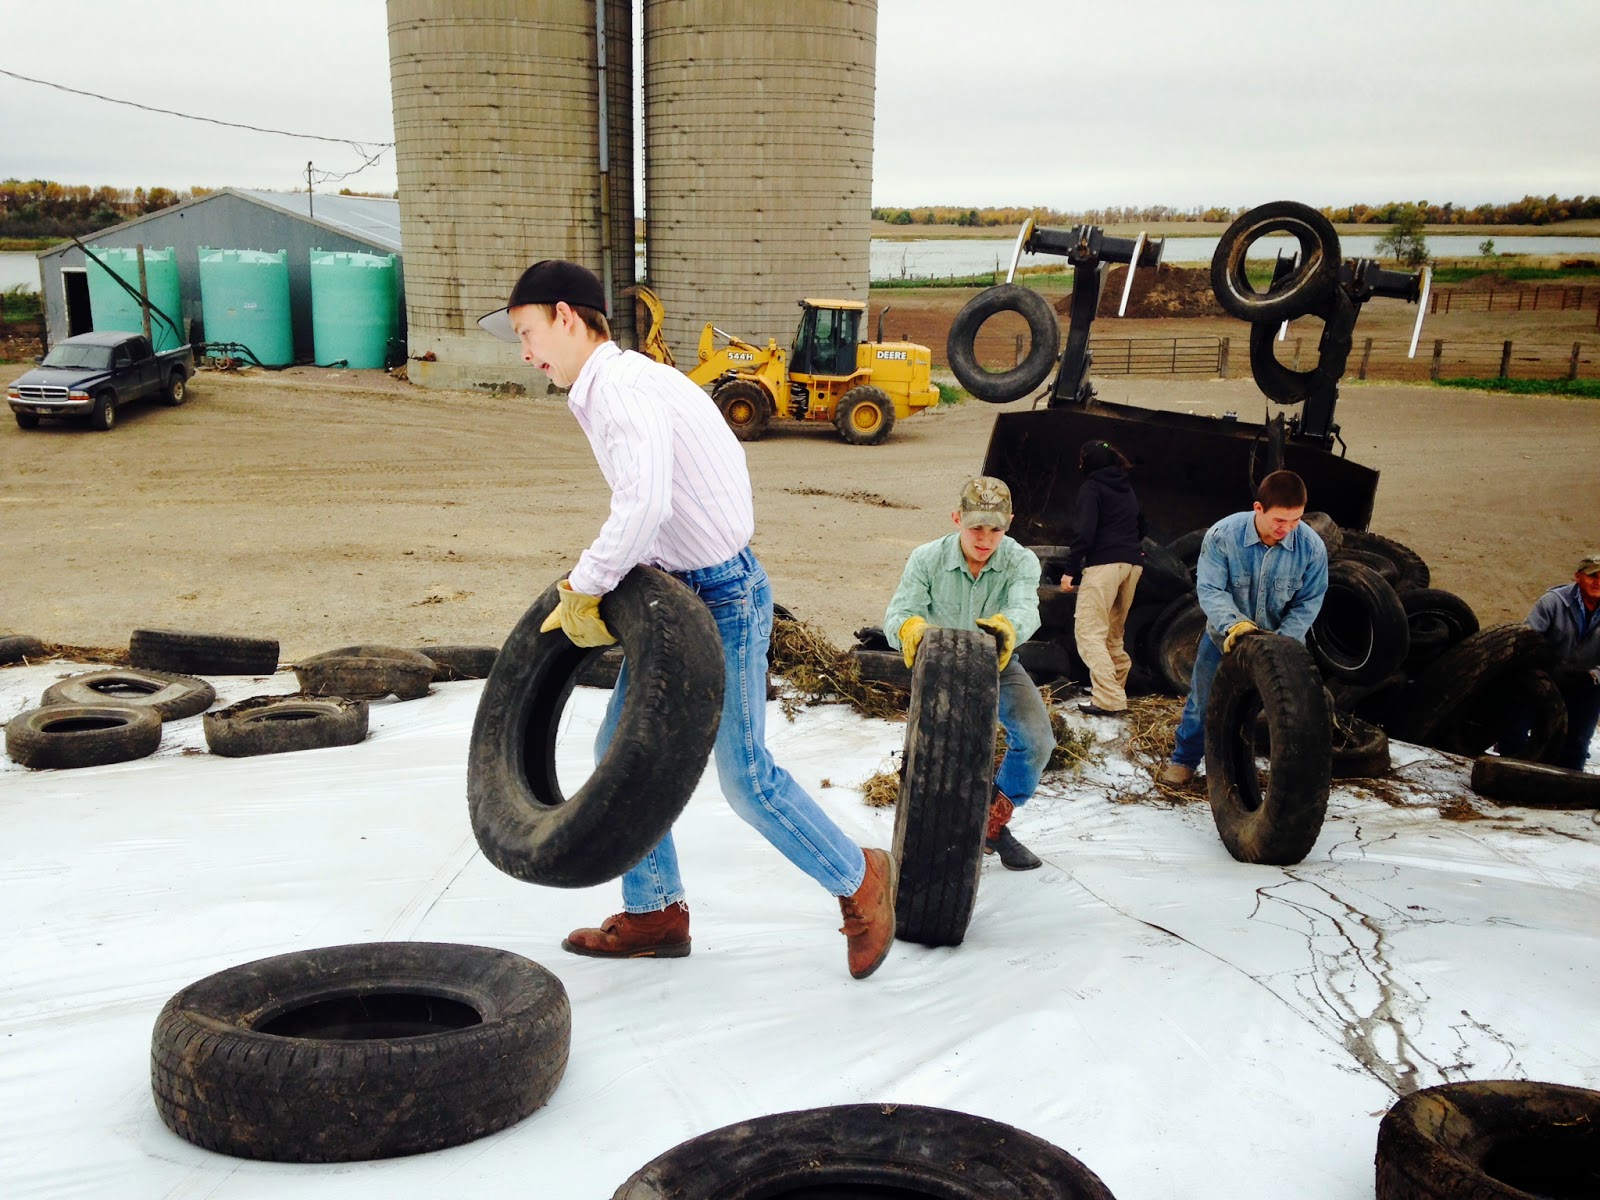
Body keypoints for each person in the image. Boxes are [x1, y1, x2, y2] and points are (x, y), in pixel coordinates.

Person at [478, 259, 896, 980]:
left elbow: (643, 506)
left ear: (568, 318)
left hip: (724, 596)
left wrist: (586, 584)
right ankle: (657, 912)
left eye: (527, 332)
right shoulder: (616, 384)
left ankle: (860, 879)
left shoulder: (622, 390)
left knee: (744, 777)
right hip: (676, 595)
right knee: (623, 752)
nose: (524, 351)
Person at [883, 476, 1054, 871]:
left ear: (1009, 523)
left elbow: (1026, 609)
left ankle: (991, 823)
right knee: (938, 755)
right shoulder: (926, 558)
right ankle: (927, 836)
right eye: (976, 527)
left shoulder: (1020, 561)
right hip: (940, 666)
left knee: (1037, 741)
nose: (985, 538)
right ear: (957, 517)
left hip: (997, 662)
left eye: (995, 529)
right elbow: (898, 613)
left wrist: (1008, 629)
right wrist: (910, 629)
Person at [1159, 470, 1328, 786]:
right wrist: (1236, 626)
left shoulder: (1312, 548)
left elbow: (1309, 600)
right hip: (1224, 638)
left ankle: (1280, 777)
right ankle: (1184, 760)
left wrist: (1282, 641)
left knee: (1290, 713)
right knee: (1202, 702)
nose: (1287, 529)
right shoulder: (1223, 536)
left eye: (1295, 521)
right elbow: (1210, 589)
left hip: (1282, 643)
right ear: (1258, 508)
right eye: (1280, 520)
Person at [1059, 439, 1147, 717]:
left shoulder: (1092, 488)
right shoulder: (1125, 486)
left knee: (1088, 632)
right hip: (1132, 564)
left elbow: (1084, 532)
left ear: (1088, 463)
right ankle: (1112, 688)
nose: (1079, 465)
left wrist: (1070, 570)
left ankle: (1108, 698)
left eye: (1082, 460)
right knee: (1113, 633)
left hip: (1104, 566)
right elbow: (1142, 523)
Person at [1509, 552, 1600, 771]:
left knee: (1576, 747)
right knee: (1514, 735)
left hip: (1586, 687)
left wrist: (1592, 677)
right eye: (1592, 576)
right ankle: (1507, 780)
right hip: (1543, 679)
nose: (1598, 582)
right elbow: (1526, 640)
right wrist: (1547, 670)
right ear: (1578, 576)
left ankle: (1566, 793)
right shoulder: (1553, 602)